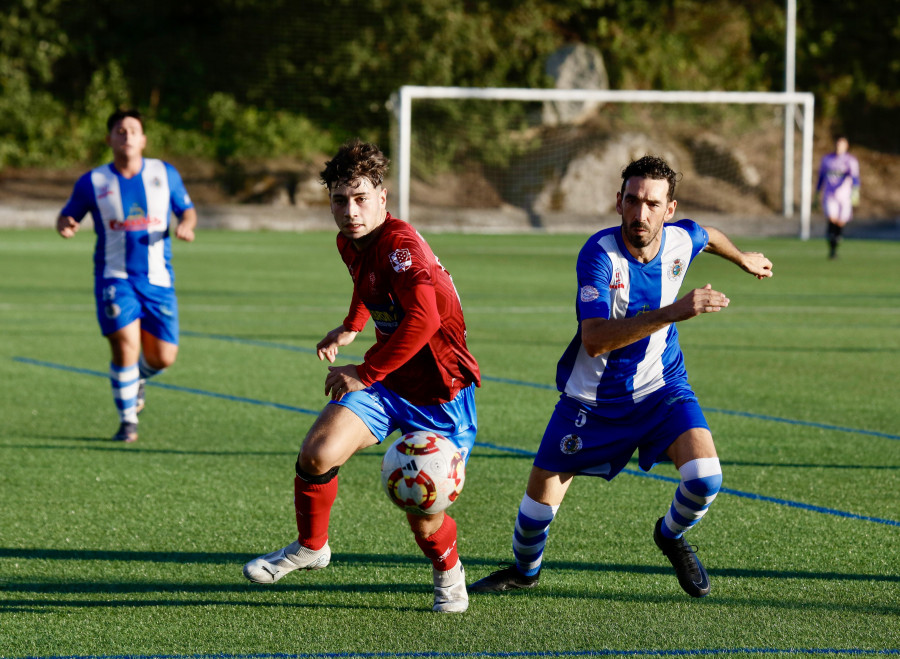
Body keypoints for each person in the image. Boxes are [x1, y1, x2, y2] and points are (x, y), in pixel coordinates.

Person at [469, 155, 773, 599]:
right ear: (618, 202)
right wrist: (673, 312)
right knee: (535, 512)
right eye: (632, 200)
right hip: (590, 402)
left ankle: (669, 536)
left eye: (652, 204)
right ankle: (525, 570)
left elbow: (706, 235)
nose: (641, 213)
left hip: (661, 388)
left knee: (705, 477)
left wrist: (742, 258)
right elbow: (594, 341)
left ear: (669, 210)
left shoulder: (680, 238)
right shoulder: (598, 255)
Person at [242, 139, 481, 613]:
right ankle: (312, 548)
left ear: (382, 199)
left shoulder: (401, 247)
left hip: (440, 393)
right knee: (316, 454)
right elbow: (365, 285)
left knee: (422, 511)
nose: (350, 211)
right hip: (389, 382)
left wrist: (364, 370)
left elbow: (425, 320)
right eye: (339, 200)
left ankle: (448, 570)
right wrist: (352, 327)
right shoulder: (351, 242)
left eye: (360, 199)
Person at [56, 108, 197, 443]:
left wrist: (187, 224)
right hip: (114, 278)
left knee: (163, 356)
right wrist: (66, 223)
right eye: (120, 130)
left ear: (144, 139)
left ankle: (138, 380)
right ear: (109, 139)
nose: (127, 135)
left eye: (133, 130)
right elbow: (68, 213)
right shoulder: (94, 181)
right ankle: (127, 421)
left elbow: (186, 210)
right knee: (125, 348)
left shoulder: (165, 173)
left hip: (159, 280)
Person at [816, 135, 860, 259]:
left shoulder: (850, 160)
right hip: (830, 196)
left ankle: (836, 238)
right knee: (832, 218)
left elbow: (855, 177)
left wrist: (855, 190)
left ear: (846, 146)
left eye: (841, 144)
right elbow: (821, 177)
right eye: (837, 144)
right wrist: (817, 192)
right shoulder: (827, 160)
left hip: (844, 197)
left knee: (840, 222)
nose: (838, 146)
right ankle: (832, 246)